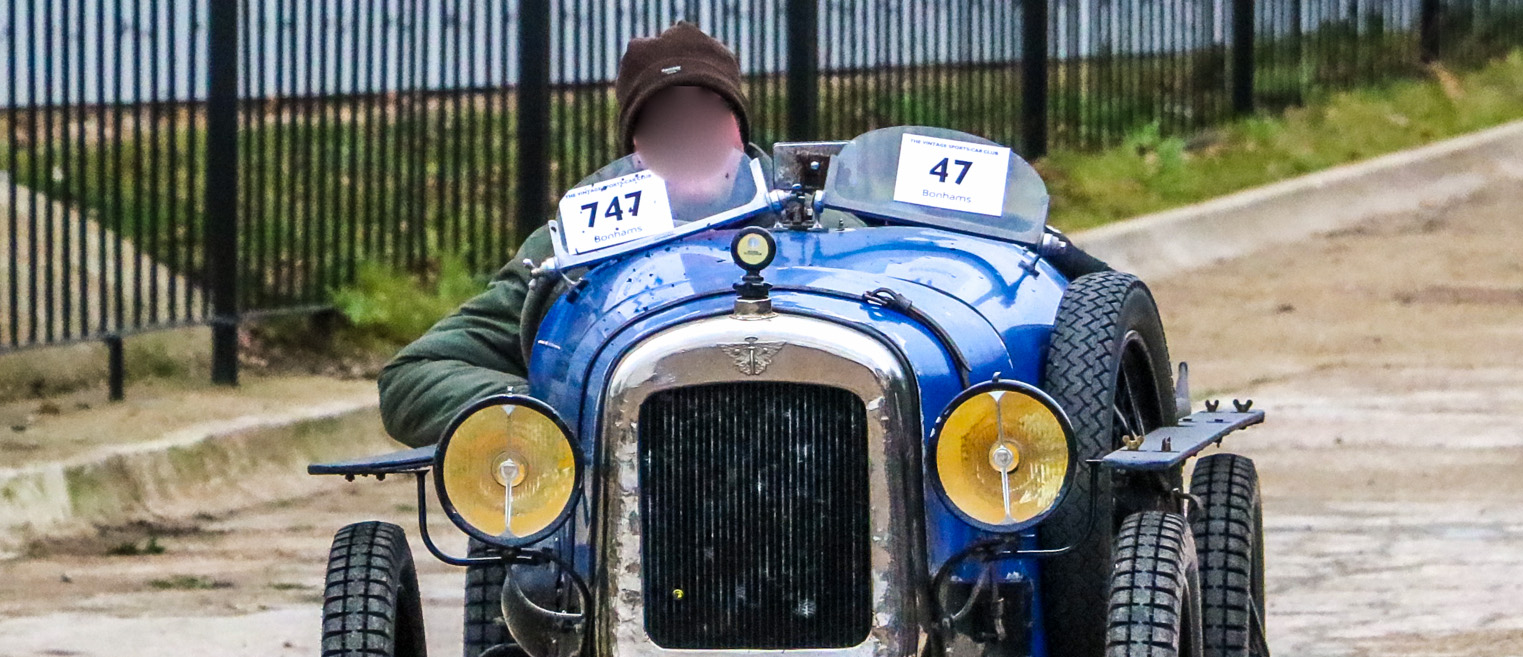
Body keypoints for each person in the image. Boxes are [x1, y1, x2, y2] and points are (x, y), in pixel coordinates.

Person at [377, 21, 1110, 448]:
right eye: (663, 123)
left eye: (705, 114)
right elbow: (417, 374)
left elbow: (992, 292)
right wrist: (553, 410)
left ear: (738, 126)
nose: (687, 135)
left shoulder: (833, 221)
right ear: (636, 147)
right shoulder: (577, 250)